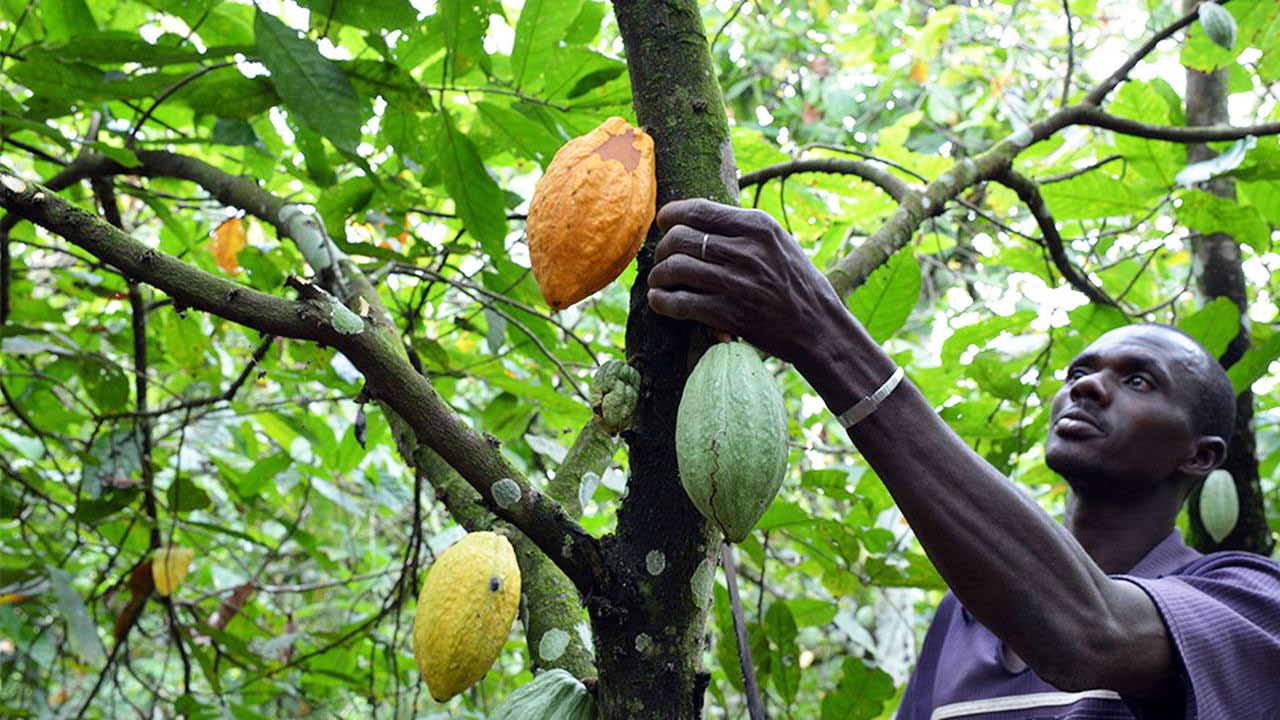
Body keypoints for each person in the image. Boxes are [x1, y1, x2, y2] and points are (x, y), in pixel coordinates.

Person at [645, 198, 1280, 720]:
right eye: (1080, 370)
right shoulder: (962, 615)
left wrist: (823, 334)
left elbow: (1092, 631)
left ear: (1201, 456)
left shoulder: (1248, 601)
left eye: (1139, 381)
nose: (1085, 386)